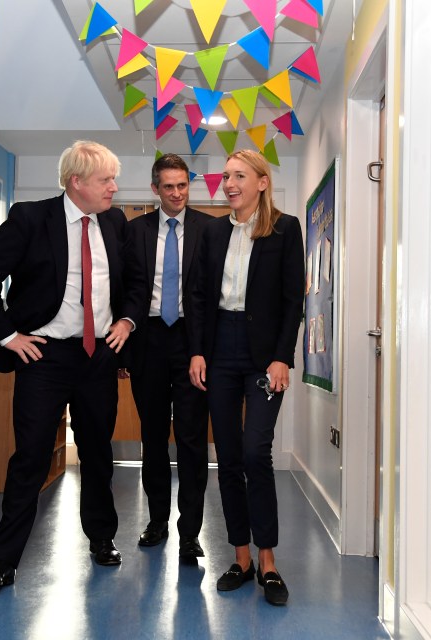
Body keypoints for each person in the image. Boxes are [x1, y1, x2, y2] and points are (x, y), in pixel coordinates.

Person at [0, 140, 132, 588]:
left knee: (99, 453)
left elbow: (131, 282)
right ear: (76, 182)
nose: (114, 188)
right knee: (31, 456)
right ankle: (3, 560)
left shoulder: (115, 223)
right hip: (45, 356)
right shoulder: (30, 218)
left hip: (98, 356)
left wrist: (127, 320)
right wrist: (6, 336)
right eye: (106, 180)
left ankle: (101, 538)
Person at [187, 149, 304, 606]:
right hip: (219, 351)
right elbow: (198, 296)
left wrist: (282, 358)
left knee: (257, 452)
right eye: (226, 175)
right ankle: (241, 557)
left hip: (262, 355)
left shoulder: (284, 228)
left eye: (239, 175)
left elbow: (293, 299)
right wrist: (197, 350)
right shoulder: (214, 232)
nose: (229, 182)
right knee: (230, 456)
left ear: (261, 182)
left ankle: (269, 561)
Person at [121, 154, 209, 560]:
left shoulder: (209, 229)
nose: (177, 194)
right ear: (155, 189)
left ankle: (190, 531)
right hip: (149, 341)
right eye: (168, 187)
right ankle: (157, 521)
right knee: (153, 437)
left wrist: (205, 349)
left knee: (191, 440)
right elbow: (123, 288)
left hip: (192, 344)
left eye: (183, 186)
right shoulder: (133, 230)